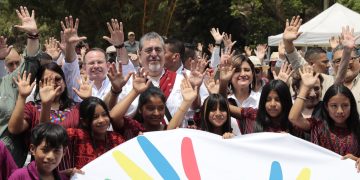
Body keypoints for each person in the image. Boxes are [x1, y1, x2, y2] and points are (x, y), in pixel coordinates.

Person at [105, 32, 208, 124]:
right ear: (139, 55)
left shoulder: (184, 79)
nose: (154, 54)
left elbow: (198, 110)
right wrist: (117, 90)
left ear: (164, 53)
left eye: (158, 50)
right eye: (149, 50)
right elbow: (114, 117)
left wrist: (196, 89)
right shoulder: (130, 83)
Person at [0, 6, 42, 167]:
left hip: (9, 165)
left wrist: (32, 35)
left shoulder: (10, 82)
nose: (14, 65)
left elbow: (31, 62)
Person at [289, 67, 360, 156]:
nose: (340, 111)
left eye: (345, 105)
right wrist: (305, 87)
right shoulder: (317, 125)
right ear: (326, 107)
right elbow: (293, 118)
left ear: (352, 106)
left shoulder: (357, 128)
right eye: (334, 106)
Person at [110, 70, 197, 140]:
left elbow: (169, 133)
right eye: (150, 108)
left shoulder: (168, 129)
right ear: (140, 109)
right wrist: (135, 91)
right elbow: (113, 116)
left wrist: (187, 101)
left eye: (161, 108)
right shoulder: (133, 127)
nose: (156, 113)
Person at [61, 97, 126, 169]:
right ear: (84, 122)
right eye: (95, 117)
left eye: (104, 115)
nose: (101, 120)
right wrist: (46, 104)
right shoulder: (76, 135)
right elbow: (50, 134)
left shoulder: (117, 139)